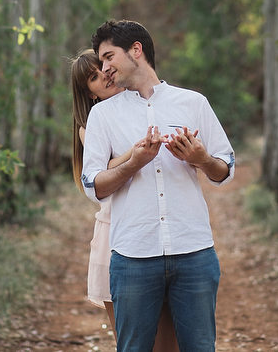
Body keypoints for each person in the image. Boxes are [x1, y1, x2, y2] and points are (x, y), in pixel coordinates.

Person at [81, 20, 236, 352]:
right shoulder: (103, 116)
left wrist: (201, 158)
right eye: (101, 61)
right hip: (133, 256)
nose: (104, 67)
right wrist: (135, 162)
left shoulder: (192, 103)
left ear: (136, 50)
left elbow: (223, 168)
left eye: (109, 57)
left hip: (194, 251)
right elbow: (93, 185)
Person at [71, 49, 178, 351]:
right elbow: (102, 171)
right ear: (89, 93)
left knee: (170, 340)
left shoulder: (145, 106)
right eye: (93, 77)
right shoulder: (90, 125)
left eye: (103, 68)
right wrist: (137, 152)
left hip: (156, 229)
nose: (103, 76)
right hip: (114, 232)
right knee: (134, 342)